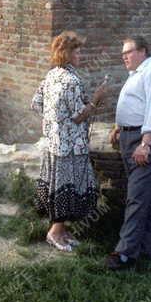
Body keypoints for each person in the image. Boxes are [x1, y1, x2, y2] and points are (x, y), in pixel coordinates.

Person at [31, 31, 106, 251]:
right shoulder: (72, 80)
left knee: (59, 187)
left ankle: (62, 231)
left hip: (54, 144)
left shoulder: (51, 75)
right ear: (67, 53)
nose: (80, 55)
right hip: (71, 147)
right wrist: (96, 99)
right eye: (77, 51)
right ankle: (54, 233)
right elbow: (79, 116)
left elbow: (36, 104)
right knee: (68, 189)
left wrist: (55, 122)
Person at [107, 36, 151, 271]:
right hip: (130, 137)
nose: (124, 56)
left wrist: (146, 143)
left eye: (128, 52)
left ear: (143, 51)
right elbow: (136, 104)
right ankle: (150, 250)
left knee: (136, 197)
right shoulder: (136, 74)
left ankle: (124, 254)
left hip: (148, 139)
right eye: (122, 53)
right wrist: (119, 127)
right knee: (145, 196)